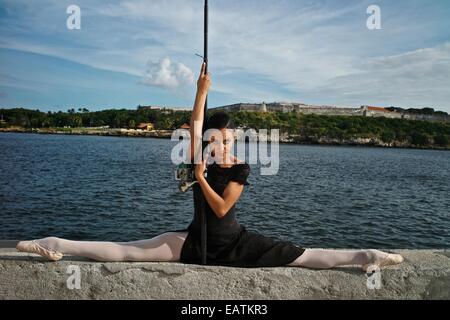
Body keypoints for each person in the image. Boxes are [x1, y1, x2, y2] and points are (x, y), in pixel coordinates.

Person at [16, 62, 404, 271]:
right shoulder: (197, 155)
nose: (219, 143)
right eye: (213, 139)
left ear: (234, 140)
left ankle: (366, 255)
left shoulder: (239, 169)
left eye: (227, 138)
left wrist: (200, 178)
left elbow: (221, 208)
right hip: (195, 241)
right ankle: (53, 245)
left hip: (234, 242)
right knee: (123, 251)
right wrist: (201, 92)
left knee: (303, 255)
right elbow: (197, 123)